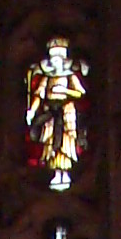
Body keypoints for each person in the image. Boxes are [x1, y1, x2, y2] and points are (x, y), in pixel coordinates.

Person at [24, 38, 89, 185]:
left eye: (57, 59)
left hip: (66, 112)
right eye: (52, 60)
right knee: (50, 142)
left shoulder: (70, 76)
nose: (54, 62)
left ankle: (64, 173)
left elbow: (81, 92)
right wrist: (32, 111)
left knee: (66, 142)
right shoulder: (47, 78)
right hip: (50, 114)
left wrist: (64, 91)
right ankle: (55, 172)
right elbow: (39, 95)